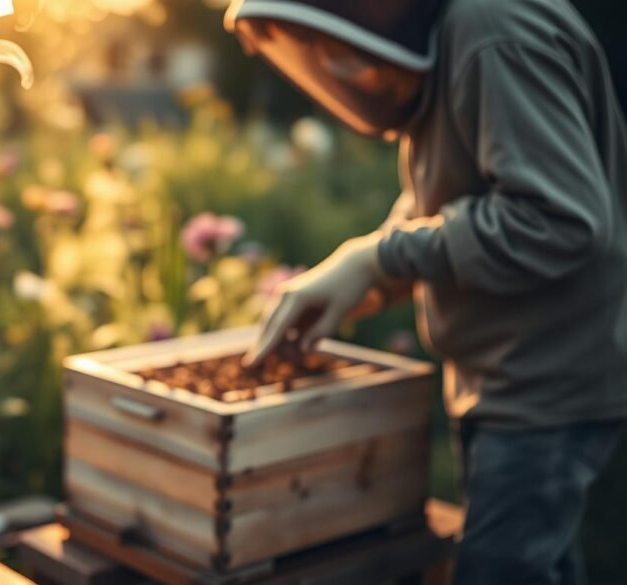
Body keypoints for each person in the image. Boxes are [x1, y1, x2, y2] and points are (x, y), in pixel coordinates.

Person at [226, 0, 627, 583]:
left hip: (546, 380)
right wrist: (370, 272)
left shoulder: (492, 29)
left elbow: (558, 219)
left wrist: (381, 257)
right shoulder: (459, 33)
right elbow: (443, 201)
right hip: (505, 372)